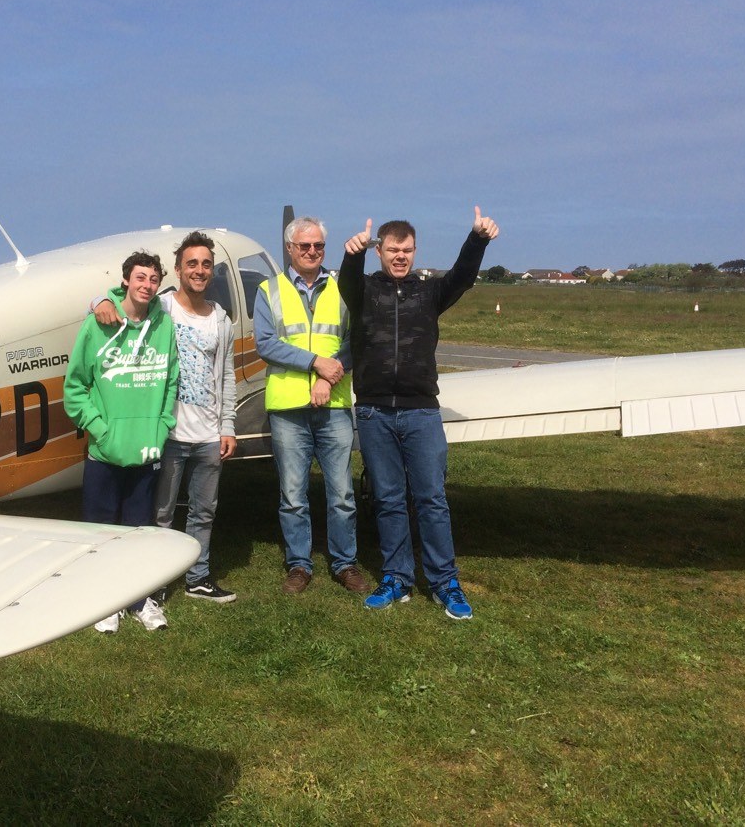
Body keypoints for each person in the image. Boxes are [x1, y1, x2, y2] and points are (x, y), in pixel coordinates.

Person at [338, 206, 500, 619]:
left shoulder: (428, 293)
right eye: (392, 249)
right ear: (380, 251)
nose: (400, 257)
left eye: (406, 250)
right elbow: (346, 283)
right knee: (389, 500)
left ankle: (446, 583)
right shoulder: (365, 293)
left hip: (421, 412)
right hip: (374, 412)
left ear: (414, 252)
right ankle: (396, 578)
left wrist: (477, 239)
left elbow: (462, 278)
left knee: (431, 499)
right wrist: (352, 253)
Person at [93, 231, 238, 603]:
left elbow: (225, 375)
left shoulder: (221, 320)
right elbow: (123, 299)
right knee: (161, 514)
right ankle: (155, 582)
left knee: (205, 512)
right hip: (169, 432)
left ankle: (198, 577)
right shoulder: (163, 308)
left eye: (206, 264)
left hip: (208, 433)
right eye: (192, 263)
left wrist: (228, 426)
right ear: (178, 269)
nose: (199, 270)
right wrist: (98, 301)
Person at [252, 216, 368, 595]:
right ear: (290, 249)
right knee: (292, 494)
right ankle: (299, 565)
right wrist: (315, 363)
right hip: (288, 407)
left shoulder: (342, 289)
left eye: (318, 245)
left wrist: (326, 377)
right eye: (304, 246)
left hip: (333, 403)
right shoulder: (269, 290)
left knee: (342, 494)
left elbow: (355, 341)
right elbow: (266, 344)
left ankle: (345, 562)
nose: (312, 252)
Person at [64, 250, 179, 632]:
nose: (147, 285)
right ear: (126, 281)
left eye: (153, 279)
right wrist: (101, 429)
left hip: (146, 450)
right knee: (100, 532)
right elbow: (75, 388)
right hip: (104, 453)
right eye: (140, 278)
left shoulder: (163, 324)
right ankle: (103, 603)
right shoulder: (97, 323)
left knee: (139, 532)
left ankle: (139, 600)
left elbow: (171, 382)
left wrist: (159, 431)